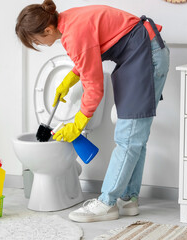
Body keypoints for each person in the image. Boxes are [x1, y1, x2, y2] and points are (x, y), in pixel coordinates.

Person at [15, 0, 169, 223]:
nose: (40, 44)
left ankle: (107, 203)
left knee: (128, 138)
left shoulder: (72, 33)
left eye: (37, 40)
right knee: (135, 139)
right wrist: (71, 77)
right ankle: (128, 197)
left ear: (47, 29)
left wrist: (77, 124)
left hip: (145, 55)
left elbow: (95, 88)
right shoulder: (68, 20)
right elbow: (90, 51)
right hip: (139, 54)